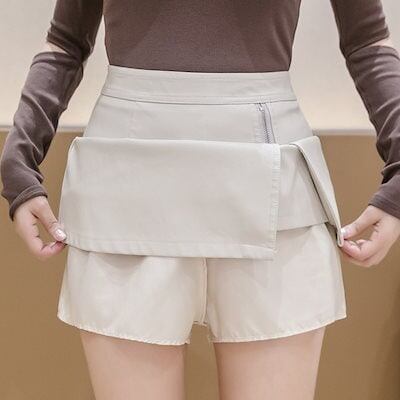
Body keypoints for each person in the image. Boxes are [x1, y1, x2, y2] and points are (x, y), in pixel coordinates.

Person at [1, 1, 400, 399]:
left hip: (272, 186)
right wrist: (18, 159)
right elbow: (67, 41)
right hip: (130, 179)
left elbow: (367, 40)